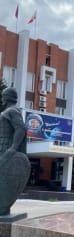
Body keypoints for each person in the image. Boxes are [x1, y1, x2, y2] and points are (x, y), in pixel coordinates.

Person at [0, 87, 30, 215]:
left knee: (4, 178)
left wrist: (13, 148)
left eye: (3, 96)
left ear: (6, 98)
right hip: (2, 146)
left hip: (5, 148)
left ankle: (3, 206)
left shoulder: (12, 111)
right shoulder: (8, 111)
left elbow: (20, 128)